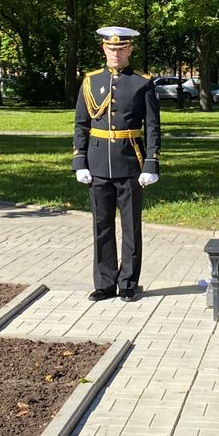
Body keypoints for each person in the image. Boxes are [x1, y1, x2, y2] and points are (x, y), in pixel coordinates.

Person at [73, 26, 161, 302]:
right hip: (97, 164)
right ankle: (105, 282)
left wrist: (151, 164)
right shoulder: (90, 81)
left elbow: (153, 128)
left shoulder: (142, 83)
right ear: (103, 49)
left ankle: (128, 283)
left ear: (130, 50)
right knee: (102, 225)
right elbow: (81, 124)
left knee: (131, 227)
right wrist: (79, 161)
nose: (115, 53)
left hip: (130, 163)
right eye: (111, 48)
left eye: (121, 49)